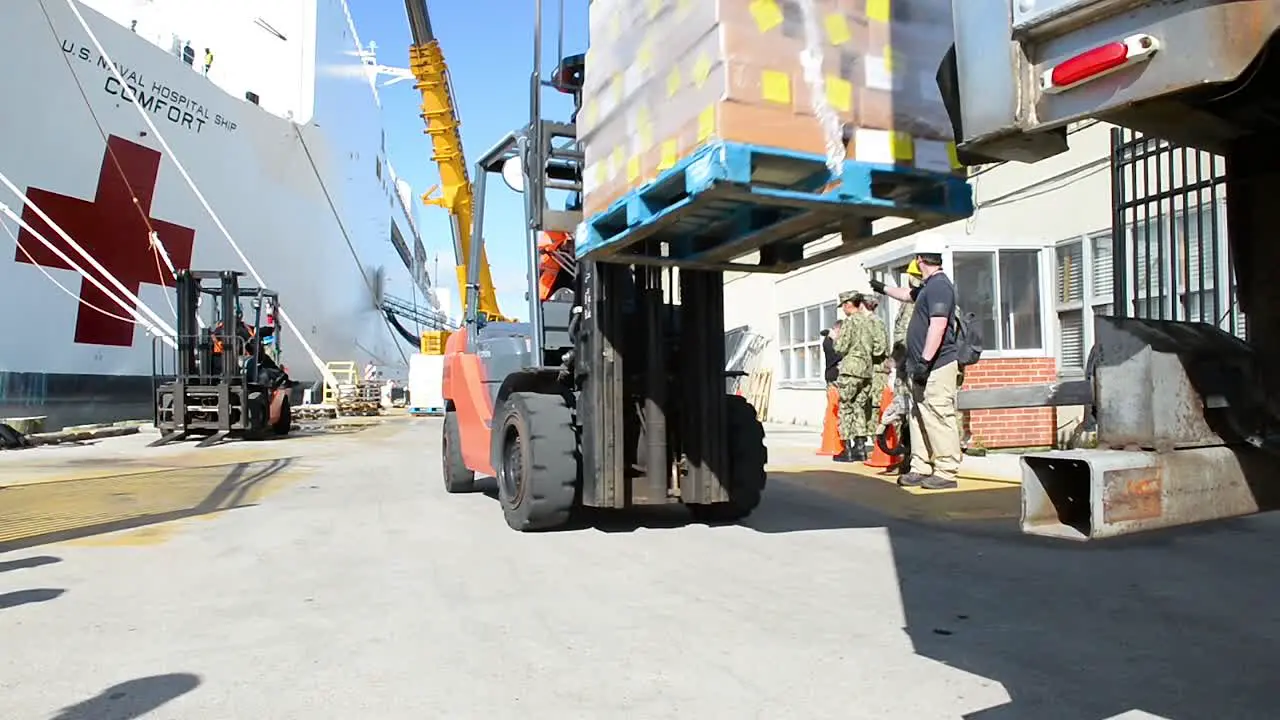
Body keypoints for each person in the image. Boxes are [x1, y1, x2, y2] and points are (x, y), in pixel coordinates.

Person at [869, 239, 962, 489]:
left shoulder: (940, 286)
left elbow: (939, 325)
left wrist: (925, 361)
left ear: (920, 261)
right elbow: (908, 296)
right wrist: (882, 288)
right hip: (922, 366)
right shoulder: (928, 287)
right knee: (918, 416)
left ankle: (946, 470)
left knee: (939, 415)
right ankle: (920, 466)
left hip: (937, 365)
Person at [832, 291, 878, 462]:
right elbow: (877, 346)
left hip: (851, 368)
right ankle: (860, 447)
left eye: (843, 305)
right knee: (859, 406)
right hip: (866, 369)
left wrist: (835, 339)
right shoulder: (868, 321)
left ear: (848, 304)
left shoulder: (849, 322)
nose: (843, 309)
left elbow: (841, 347)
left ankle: (847, 449)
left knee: (846, 406)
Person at [861, 294, 891, 423]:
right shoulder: (866, 322)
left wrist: (862, 352)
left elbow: (880, 347)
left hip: (877, 371)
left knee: (876, 407)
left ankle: (879, 440)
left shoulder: (875, 321)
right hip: (868, 371)